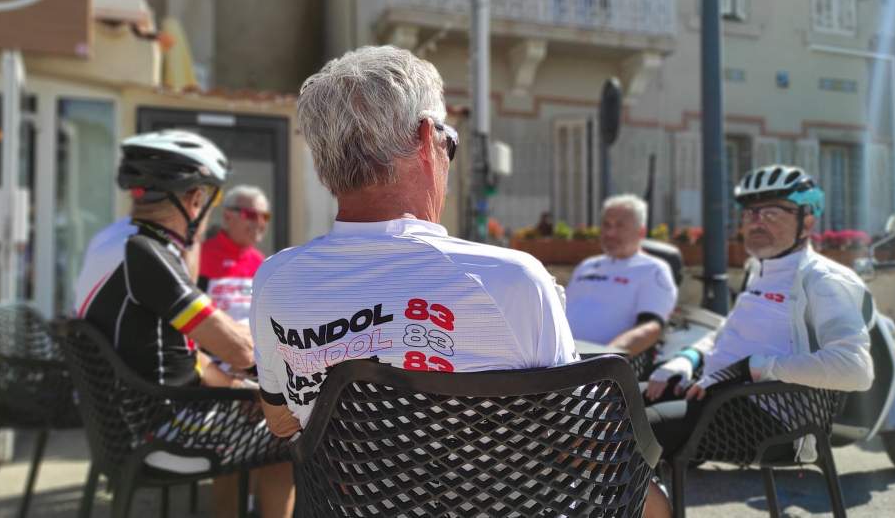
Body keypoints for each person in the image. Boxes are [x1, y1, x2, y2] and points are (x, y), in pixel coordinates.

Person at [249, 45, 577, 439]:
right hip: (495, 500)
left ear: (323, 165)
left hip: (350, 500)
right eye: (449, 142)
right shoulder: (509, 280)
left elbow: (282, 423)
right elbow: (576, 440)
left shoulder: (275, 281)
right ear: (427, 137)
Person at [73, 130, 292, 518]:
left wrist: (245, 384)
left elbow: (184, 355)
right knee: (287, 431)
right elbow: (238, 349)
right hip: (161, 431)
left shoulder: (112, 239)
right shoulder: (145, 252)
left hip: (127, 424)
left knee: (251, 407)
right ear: (195, 199)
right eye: (212, 201)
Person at [641, 165, 874, 517]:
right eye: (750, 212)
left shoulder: (822, 280)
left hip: (772, 420)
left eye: (772, 212)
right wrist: (687, 358)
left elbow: (856, 369)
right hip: (719, 397)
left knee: (628, 435)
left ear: (807, 221)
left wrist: (762, 367)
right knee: (613, 404)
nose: (755, 222)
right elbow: (730, 335)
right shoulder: (759, 269)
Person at [564, 194, 678, 356]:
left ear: (641, 232)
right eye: (606, 225)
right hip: (561, 362)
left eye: (619, 226)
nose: (610, 233)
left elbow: (650, 328)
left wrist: (605, 358)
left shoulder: (653, 270)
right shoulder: (586, 265)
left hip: (605, 367)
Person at [200, 185, 271, 322]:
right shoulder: (201, 256)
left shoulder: (262, 263)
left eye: (265, 216)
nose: (260, 223)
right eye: (251, 215)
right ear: (227, 216)